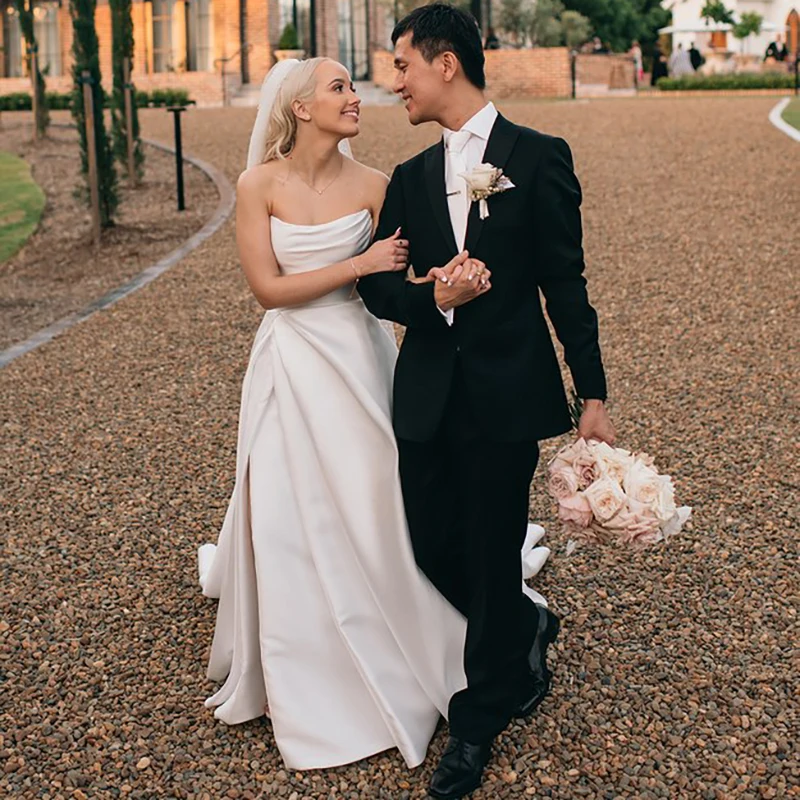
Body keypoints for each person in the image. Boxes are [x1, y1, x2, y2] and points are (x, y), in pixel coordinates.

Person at [196, 56, 551, 772]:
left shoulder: (377, 186)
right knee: (287, 508)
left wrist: (449, 283)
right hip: (292, 360)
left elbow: (411, 283)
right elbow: (269, 289)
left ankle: (419, 627)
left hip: (359, 358)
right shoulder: (256, 185)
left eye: (355, 87)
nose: (356, 97)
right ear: (300, 108)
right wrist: (360, 266)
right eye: (339, 88)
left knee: (374, 498)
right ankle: (300, 663)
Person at [357, 5, 614, 799]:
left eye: (401, 65)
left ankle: (477, 723)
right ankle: (523, 623)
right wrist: (435, 296)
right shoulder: (405, 178)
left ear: (443, 65)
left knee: (494, 541)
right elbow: (374, 287)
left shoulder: (539, 159)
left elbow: (565, 283)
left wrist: (592, 390)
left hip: (507, 391)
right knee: (433, 542)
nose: (391, 82)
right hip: (428, 394)